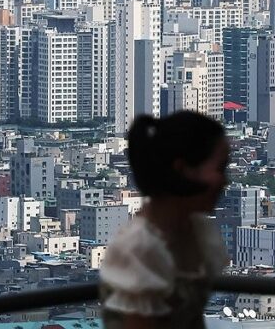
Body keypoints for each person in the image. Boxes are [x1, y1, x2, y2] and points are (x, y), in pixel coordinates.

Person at [99, 112, 231, 329]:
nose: (225, 181)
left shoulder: (196, 229)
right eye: (219, 168)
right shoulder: (140, 250)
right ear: (182, 170)